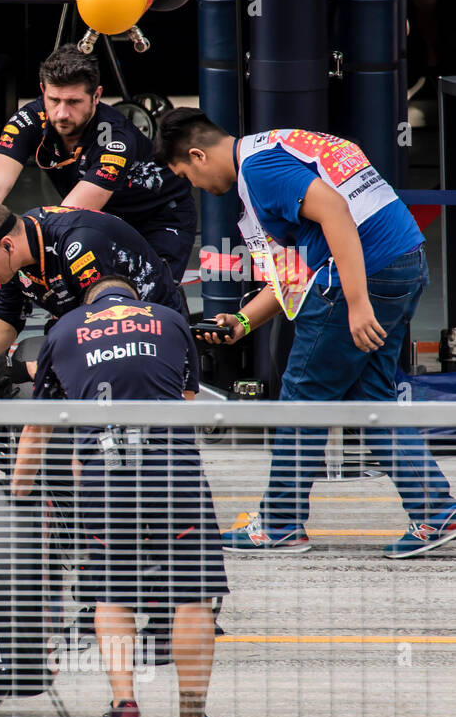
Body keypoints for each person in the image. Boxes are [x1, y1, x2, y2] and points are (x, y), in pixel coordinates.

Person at [156, 108, 456, 558]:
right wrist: (242, 322)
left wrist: (356, 302)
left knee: (302, 396)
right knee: (371, 397)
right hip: (403, 262)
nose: (197, 189)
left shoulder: (260, 170)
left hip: (363, 276)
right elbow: (301, 271)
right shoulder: (276, 146)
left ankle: (279, 523)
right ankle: (437, 511)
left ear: (197, 155)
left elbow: (335, 212)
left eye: (187, 176)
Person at [11, 276, 243, 717]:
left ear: (88, 303)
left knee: (110, 591)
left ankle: (123, 704)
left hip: (102, 473)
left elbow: (37, 427)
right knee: (193, 595)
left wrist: (16, 495)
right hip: (173, 469)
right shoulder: (172, 321)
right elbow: (186, 408)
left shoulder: (63, 330)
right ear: (136, 299)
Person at [0, 44, 196, 283]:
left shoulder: (116, 138)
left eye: (74, 102)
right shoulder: (28, 119)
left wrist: (9, 248)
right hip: (97, 218)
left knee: (147, 302)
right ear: (43, 90)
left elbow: (68, 216)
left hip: (158, 217)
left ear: (96, 96)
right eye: (54, 100)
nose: (62, 113)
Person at [0, 201, 187, 389]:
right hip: (96, 326)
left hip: (149, 331)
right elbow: (7, 312)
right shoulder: (17, 249)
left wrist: (34, 369)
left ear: (7, 245)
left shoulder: (79, 245)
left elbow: (105, 331)